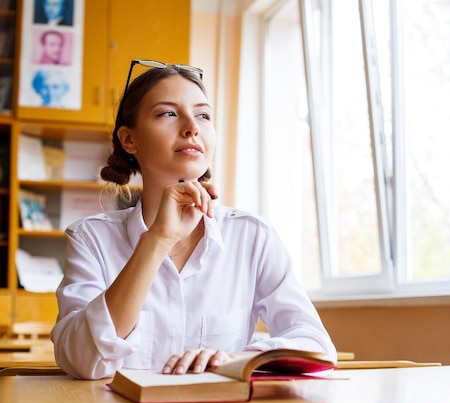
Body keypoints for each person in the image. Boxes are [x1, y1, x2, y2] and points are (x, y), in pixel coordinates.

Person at [50, 61, 337, 380]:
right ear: (129, 140)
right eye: (168, 114)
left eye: (203, 115)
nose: (192, 127)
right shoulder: (91, 238)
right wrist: (157, 240)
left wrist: (233, 359)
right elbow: (81, 359)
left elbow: (316, 346)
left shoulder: (252, 236)